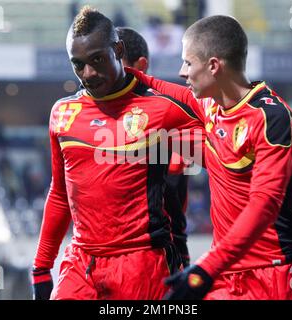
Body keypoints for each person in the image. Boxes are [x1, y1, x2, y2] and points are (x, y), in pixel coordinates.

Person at [126, 15, 292, 299]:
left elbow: (264, 205)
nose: (182, 72)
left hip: (279, 273)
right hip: (228, 273)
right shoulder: (210, 106)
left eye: (188, 63)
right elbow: (177, 94)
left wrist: (207, 266)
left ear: (213, 66)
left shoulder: (271, 118)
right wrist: (128, 75)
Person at [31, 6, 204, 300]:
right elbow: (60, 193)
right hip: (81, 261)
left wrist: (142, 79)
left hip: (141, 263)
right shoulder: (62, 113)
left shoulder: (163, 108)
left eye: (97, 60)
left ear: (117, 49)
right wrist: (40, 267)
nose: (88, 73)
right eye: (78, 64)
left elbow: (219, 119)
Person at [116, 26, 190, 267]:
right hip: (100, 258)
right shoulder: (89, 114)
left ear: (141, 66)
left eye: (117, 63)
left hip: (158, 256)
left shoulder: (166, 115)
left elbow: (174, 190)